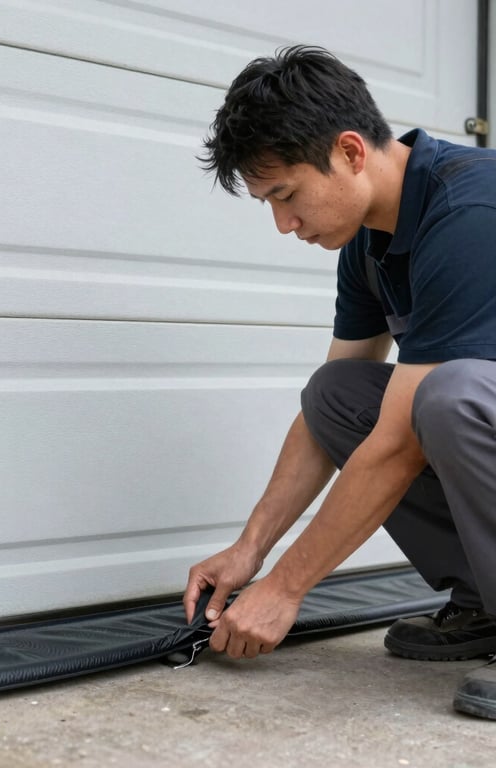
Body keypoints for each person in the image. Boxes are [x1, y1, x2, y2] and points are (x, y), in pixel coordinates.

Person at [182, 45, 496, 719]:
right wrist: (250, 550)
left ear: (351, 152)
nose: (283, 225)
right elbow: (338, 416)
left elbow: (397, 447)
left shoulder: (470, 212)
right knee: (338, 395)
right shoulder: (369, 243)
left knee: (449, 398)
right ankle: (487, 598)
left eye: (287, 196)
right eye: (268, 203)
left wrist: (288, 588)